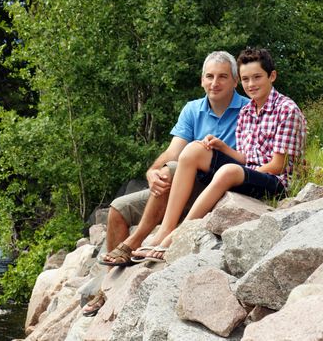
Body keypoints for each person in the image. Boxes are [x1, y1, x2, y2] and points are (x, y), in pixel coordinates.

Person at [82, 50, 249, 317]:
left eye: (222, 77)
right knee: (118, 208)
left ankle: (136, 241)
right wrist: (153, 171)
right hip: (175, 188)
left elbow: (249, 158)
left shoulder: (247, 110)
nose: (215, 83)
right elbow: (172, 153)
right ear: (201, 80)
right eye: (209, 76)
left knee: (171, 170)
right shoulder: (193, 109)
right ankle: (108, 289)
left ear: (235, 81)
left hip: (211, 190)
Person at [131, 47, 307, 262]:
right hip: (248, 174)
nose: (251, 84)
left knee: (228, 170)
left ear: (272, 76)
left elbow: (278, 165)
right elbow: (245, 157)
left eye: (257, 77)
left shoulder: (287, 110)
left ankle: (176, 236)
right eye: (246, 79)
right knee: (194, 149)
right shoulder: (247, 111)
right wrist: (222, 147)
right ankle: (164, 230)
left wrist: (240, 172)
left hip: (276, 182)